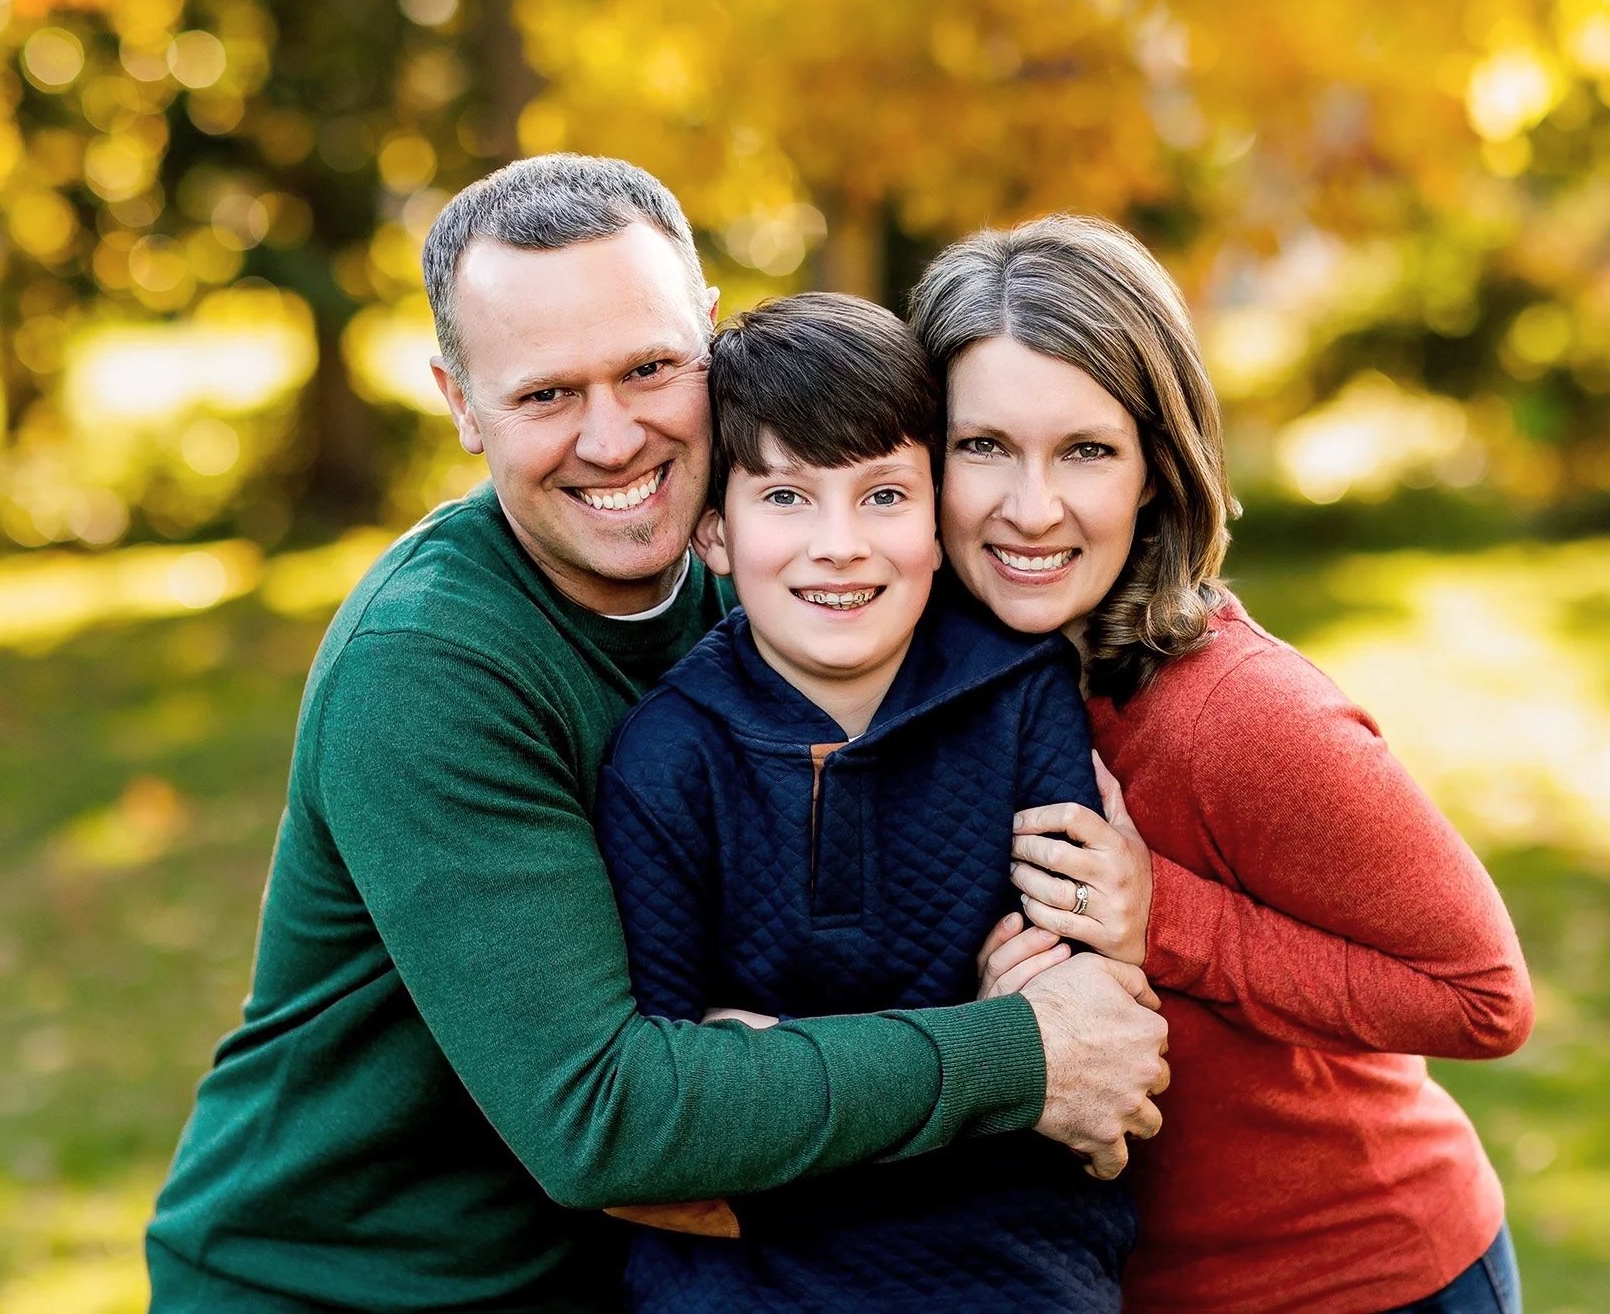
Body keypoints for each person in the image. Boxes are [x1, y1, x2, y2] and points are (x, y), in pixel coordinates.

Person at [142, 159, 1170, 1312]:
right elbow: (604, 1117)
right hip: (352, 1283)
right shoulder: (427, 666)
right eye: (546, 394)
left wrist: (1131, 913)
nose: (612, 437)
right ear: (460, 403)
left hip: (637, 1274)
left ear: (710, 345)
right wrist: (1017, 1053)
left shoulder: (781, 588)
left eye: (645, 369)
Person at [911, 214, 1535, 1314]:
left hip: (1359, 1279)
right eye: (983, 447)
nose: (1031, 508)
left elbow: (1483, 999)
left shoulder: (1238, 716)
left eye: (1086, 450)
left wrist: (1165, 919)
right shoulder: (936, 693)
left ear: (1156, 470)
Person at [595, 292, 1139, 1311]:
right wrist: (986, 1052)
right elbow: (662, 1136)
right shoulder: (667, 757)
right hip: (742, 1286)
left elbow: (1085, 1058)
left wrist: (764, 1066)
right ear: (713, 532)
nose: (839, 543)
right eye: (786, 497)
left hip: (1009, 1272)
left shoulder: (1019, 693)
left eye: (883, 495)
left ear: (936, 520)